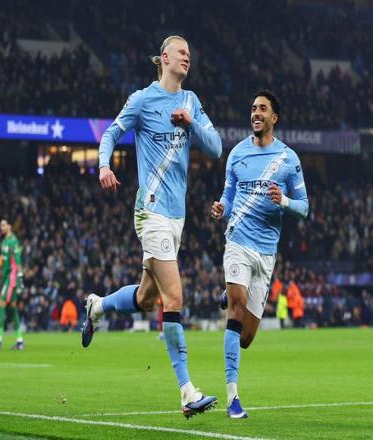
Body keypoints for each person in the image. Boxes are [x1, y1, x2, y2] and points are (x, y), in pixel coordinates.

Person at [81, 35, 222, 418]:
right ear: (164, 58)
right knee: (173, 298)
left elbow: (215, 147)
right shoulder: (143, 100)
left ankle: (98, 306)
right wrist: (104, 165)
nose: (187, 57)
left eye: (190, 53)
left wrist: (191, 124)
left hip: (177, 217)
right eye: (181, 52)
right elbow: (111, 132)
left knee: (146, 299)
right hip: (151, 212)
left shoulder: (191, 102)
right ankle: (187, 392)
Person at [212, 90, 309, 418]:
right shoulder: (237, 153)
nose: (256, 113)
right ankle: (233, 398)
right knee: (236, 310)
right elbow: (228, 196)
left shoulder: (288, 159)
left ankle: (229, 292)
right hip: (238, 242)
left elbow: (304, 208)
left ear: (274, 118)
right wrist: (221, 208)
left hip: (266, 253)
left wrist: (284, 201)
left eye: (262, 109)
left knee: (246, 338)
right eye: (253, 108)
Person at [0, 219, 25, 350]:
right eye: (0, 225)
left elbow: (18, 261)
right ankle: (19, 341)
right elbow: (1, 260)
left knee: (0, 306)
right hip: (5, 278)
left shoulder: (13, 241)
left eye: (3, 225)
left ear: (9, 226)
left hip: (11, 279)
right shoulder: (4, 241)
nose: (1, 227)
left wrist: (20, 279)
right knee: (13, 310)